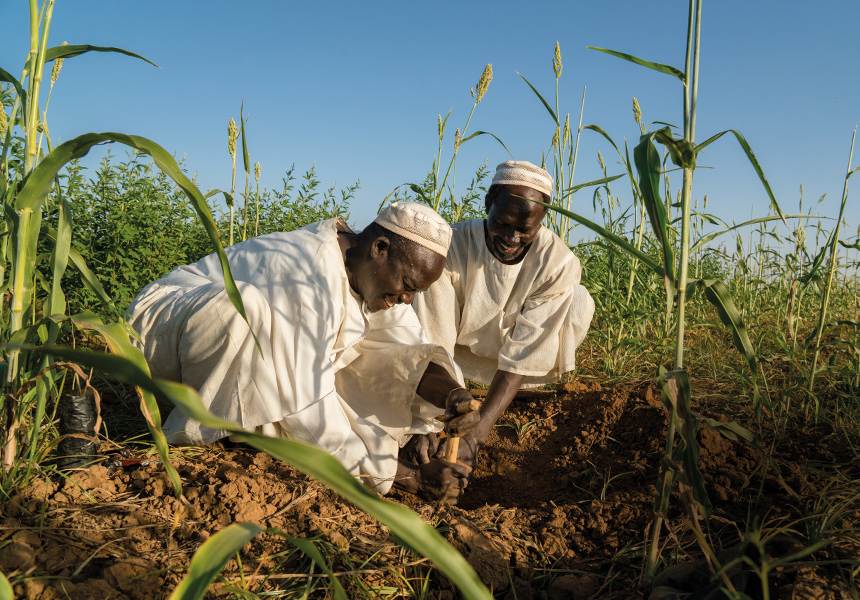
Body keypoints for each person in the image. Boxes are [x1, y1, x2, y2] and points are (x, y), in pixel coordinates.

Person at [127, 202, 478, 501]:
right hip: (161, 333)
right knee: (246, 312)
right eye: (407, 286)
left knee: (363, 356)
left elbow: (410, 351)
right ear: (380, 249)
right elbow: (310, 410)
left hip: (251, 349)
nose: (407, 299)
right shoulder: (305, 275)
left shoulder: (374, 275)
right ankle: (212, 431)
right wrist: (400, 476)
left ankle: (250, 423)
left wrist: (449, 395)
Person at [410, 160, 595, 480]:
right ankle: (431, 412)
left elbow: (523, 355)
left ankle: (502, 394)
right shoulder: (454, 244)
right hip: (456, 347)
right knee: (429, 277)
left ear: (542, 220)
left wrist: (472, 437)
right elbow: (432, 340)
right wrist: (423, 423)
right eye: (503, 223)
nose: (511, 237)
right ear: (488, 204)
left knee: (579, 301)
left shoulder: (557, 263)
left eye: (525, 229)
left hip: (512, 354)